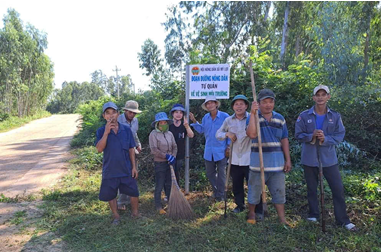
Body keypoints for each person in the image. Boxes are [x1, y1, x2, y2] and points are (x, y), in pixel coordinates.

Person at [295, 84, 356, 231]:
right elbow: (298, 135)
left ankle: (342, 219)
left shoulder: (335, 116)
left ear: (328, 97)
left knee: (337, 189)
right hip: (309, 159)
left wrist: (325, 139)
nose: (320, 97)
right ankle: (313, 215)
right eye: (318, 95)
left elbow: (339, 136)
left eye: (324, 94)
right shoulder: (304, 115)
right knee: (311, 188)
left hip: (329, 159)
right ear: (313, 97)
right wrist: (311, 136)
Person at [246, 89, 292, 225]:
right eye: (264, 102)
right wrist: (253, 113)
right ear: (258, 103)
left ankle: (282, 219)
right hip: (257, 164)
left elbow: (284, 139)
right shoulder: (253, 116)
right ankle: (252, 213)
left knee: (279, 193)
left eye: (270, 101)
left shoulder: (280, 118)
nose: (268, 105)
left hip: (277, 164)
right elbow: (252, 134)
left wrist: (287, 159)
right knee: (254, 192)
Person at [216, 95, 263, 214]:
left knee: (253, 184)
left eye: (241, 104)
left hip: (250, 158)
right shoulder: (228, 120)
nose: (239, 106)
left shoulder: (252, 117)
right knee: (237, 185)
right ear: (233, 107)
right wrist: (227, 134)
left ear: (246, 106)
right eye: (236, 104)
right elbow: (218, 134)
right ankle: (240, 205)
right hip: (234, 158)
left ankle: (258, 208)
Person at [95, 102, 139, 225]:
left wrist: (134, 167)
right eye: (107, 113)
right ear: (104, 116)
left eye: (113, 112)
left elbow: (131, 148)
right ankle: (116, 216)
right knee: (110, 194)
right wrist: (106, 133)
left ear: (118, 114)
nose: (111, 116)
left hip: (126, 168)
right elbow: (99, 149)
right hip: (110, 169)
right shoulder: (101, 131)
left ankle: (135, 214)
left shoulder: (126, 130)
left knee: (134, 192)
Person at [190, 95, 229, 201]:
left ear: (216, 104)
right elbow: (201, 130)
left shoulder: (225, 116)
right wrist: (194, 120)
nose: (210, 105)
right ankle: (216, 192)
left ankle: (221, 195)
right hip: (209, 151)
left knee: (222, 174)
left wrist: (229, 146)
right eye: (207, 103)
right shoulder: (205, 118)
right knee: (210, 173)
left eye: (212, 102)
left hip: (222, 150)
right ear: (206, 106)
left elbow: (230, 131)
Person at [149, 112, 177, 214]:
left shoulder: (169, 134)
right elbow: (154, 150)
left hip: (170, 163)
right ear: (157, 124)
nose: (163, 124)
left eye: (165, 122)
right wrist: (166, 156)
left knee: (169, 184)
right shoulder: (153, 134)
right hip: (160, 163)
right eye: (161, 122)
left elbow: (174, 146)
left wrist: (173, 156)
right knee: (160, 184)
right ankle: (158, 206)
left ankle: (170, 202)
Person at [117, 100, 142, 210]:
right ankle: (121, 202)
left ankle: (130, 199)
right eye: (130, 112)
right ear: (125, 111)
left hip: (132, 150)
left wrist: (138, 144)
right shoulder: (118, 120)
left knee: (133, 174)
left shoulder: (135, 121)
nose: (132, 115)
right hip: (121, 152)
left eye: (134, 113)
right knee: (122, 176)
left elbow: (134, 134)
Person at [169, 103, 194, 185]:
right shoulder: (168, 125)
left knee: (177, 172)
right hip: (169, 154)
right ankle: (168, 193)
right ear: (172, 113)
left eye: (180, 112)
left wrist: (187, 126)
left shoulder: (184, 126)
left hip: (180, 154)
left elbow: (191, 135)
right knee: (168, 174)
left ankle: (177, 191)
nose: (178, 114)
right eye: (176, 112)